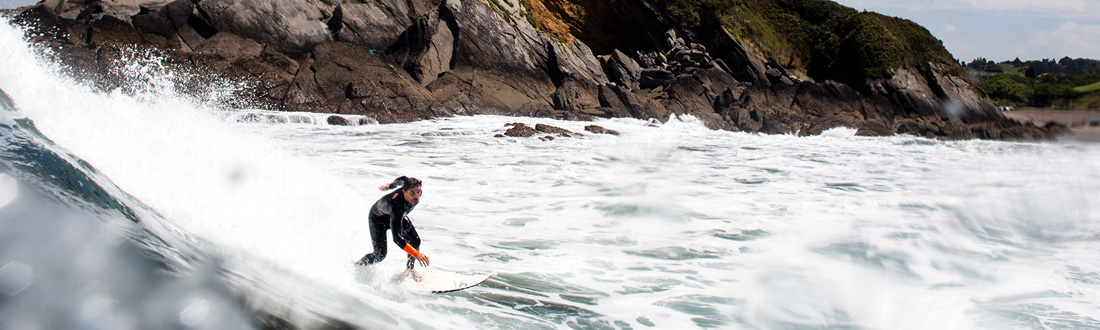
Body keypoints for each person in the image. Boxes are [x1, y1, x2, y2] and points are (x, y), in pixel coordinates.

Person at [356, 176, 430, 273]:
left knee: (415, 241)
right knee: (380, 255)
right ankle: (357, 266)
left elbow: (402, 179)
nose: (416, 196)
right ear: (404, 192)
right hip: (378, 220)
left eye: (418, 192)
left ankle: (409, 270)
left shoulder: (411, 186)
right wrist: (416, 254)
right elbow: (397, 238)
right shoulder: (396, 206)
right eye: (412, 193)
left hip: (395, 217)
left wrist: (390, 186)